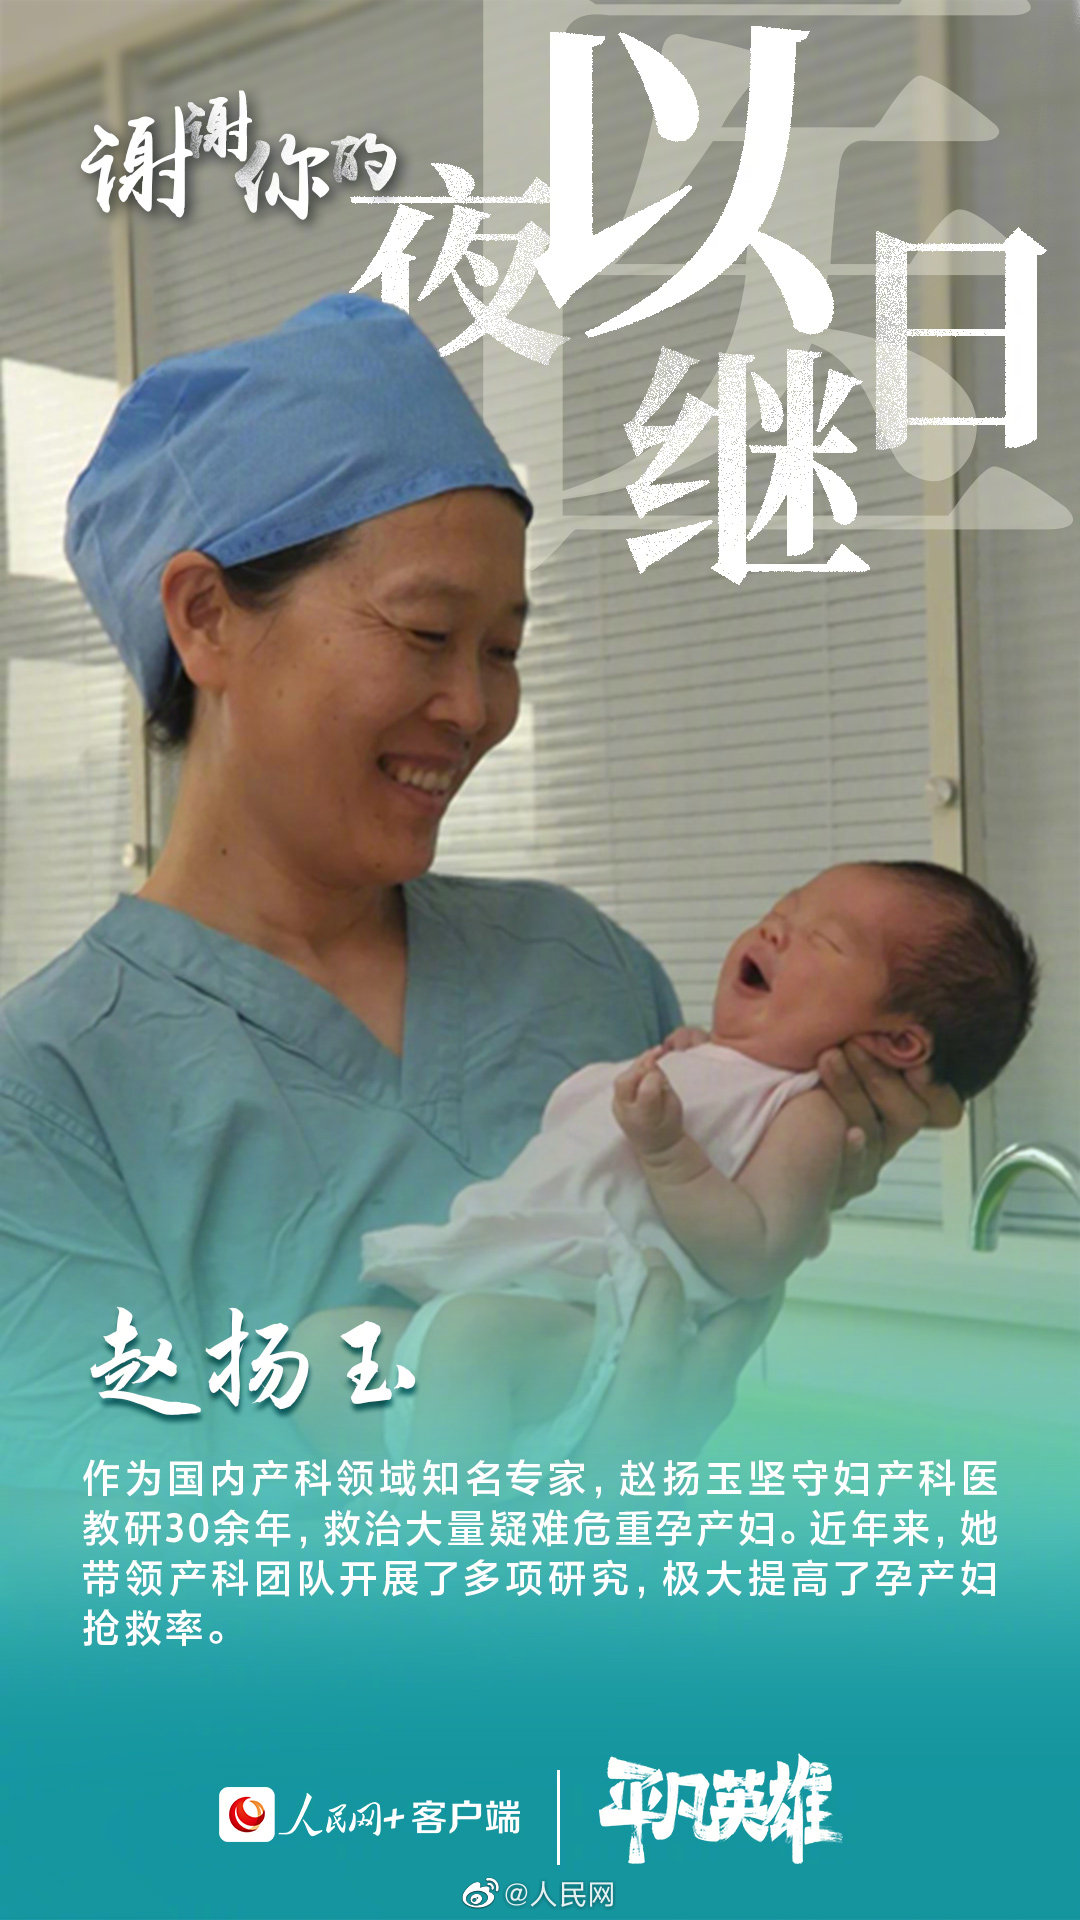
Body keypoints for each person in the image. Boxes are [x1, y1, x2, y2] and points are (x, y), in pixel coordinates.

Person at [0, 295, 958, 1487]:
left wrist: (798, 1169)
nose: (476, 708)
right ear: (206, 619)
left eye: (502, 650)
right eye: (425, 633)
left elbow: (681, 1308)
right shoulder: (50, 1091)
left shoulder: (580, 967)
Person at [350, 861, 1036, 1454]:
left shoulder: (806, 1113)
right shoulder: (707, 1059)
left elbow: (757, 1255)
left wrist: (670, 1152)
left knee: (466, 1345)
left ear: (898, 1043)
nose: (775, 929)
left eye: (823, 939)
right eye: (784, 909)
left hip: (598, 1324)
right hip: (512, 1292)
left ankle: (456, 1545)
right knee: (334, 1347)